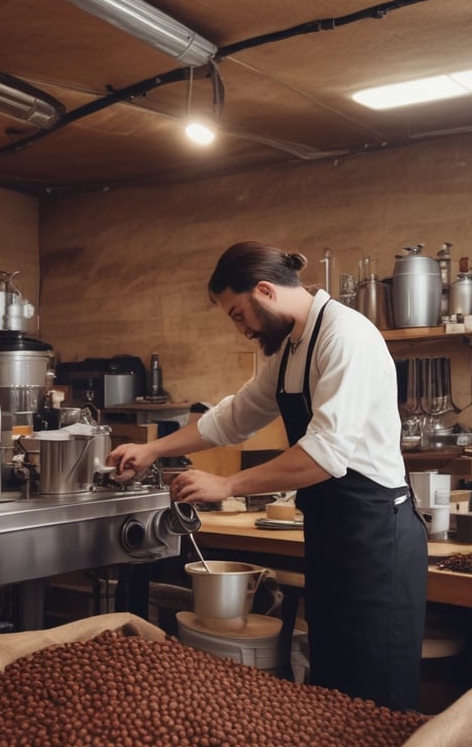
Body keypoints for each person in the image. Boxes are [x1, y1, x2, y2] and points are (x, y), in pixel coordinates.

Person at [107, 241, 428, 711]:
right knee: (333, 686)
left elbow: (325, 454)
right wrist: (151, 449)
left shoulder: (346, 336)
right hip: (330, 529)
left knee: (375, 694)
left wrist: (228, 485)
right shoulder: (289, 349)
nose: (242, 330)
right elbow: (232, 417)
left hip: (377, 536)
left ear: (265, 291)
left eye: (240, 314)